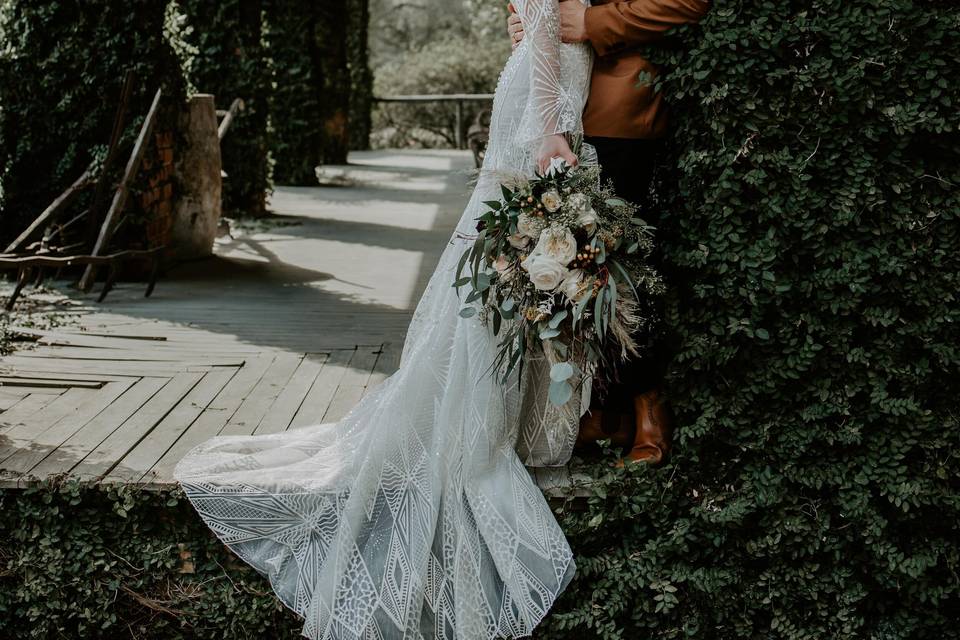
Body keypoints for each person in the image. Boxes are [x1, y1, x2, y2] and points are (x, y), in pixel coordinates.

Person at [176, 2, 594, 639]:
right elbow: (538, 17)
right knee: (514, 254)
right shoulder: (548, 97)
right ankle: (482, 418)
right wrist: (550, 126)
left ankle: (516, 412)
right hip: (546, 99)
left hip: (554, 85)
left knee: (518, 257)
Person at [509, 0, 709, 464]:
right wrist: (530, 27)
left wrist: (592, 23)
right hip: (561, 106)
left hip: (620, 108)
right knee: (568, 267)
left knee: (624, 270)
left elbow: (688, 3)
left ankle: (647, 411)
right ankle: (607, 411)